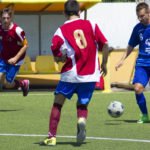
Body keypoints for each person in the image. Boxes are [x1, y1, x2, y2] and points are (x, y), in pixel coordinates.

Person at [41, 0, 109, 146]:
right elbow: (106, 45)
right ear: (79, 11)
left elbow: (57, 54)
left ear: (64, 13)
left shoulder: (61, 31)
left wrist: (60, 58)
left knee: (58, 104)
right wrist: (104, 64)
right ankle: (81, 120)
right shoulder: (91, 25)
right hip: (91, 75)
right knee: (82, 104)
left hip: (70, 75)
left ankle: (51, 137)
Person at [115, 2, 150, 123]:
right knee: (137, 88)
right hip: (142, 63)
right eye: (138, 16)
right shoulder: (138, 28)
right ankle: (145, 115)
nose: (140, 19)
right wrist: (122, 60)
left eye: (142, 16)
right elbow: (130, 45)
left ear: (148, 13)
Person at [0, 8, 29, 96]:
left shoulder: (17, 30)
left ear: (11, 18)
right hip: (4, 57)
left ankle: (23, 84)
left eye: (8, 18)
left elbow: (26, 45)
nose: (5, 20)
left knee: (7, 84)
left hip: (16, 60)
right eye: (4, 18)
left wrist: (15, 58)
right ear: (1, 18)